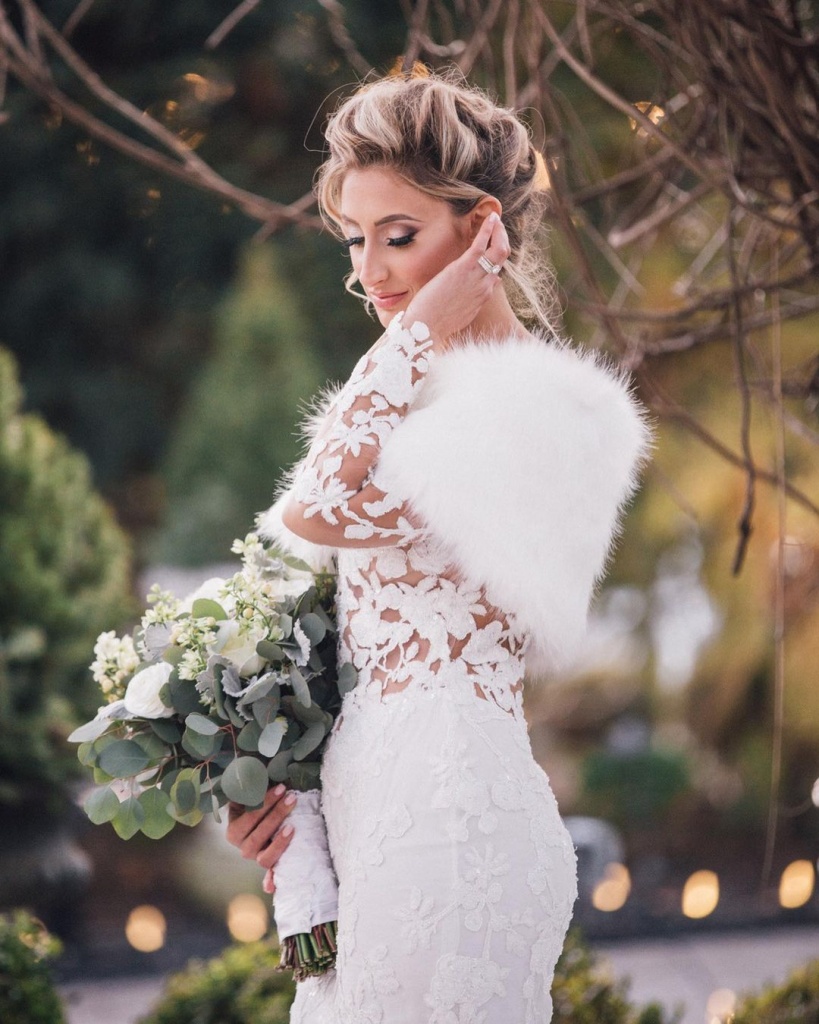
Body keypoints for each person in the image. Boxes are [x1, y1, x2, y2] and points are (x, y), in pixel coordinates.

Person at [226, 68, 651, 1023]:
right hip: (364, 820)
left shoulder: (550, 411)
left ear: (480, 228)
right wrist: (270, 791)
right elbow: (315, 620)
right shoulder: (392, 402)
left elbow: (316, 507)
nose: (370, 272)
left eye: (399, 236)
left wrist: (415, 331)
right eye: (355, 241)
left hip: (455, 831)